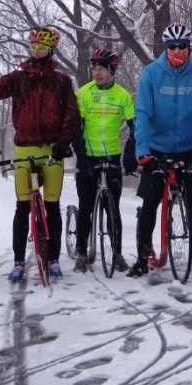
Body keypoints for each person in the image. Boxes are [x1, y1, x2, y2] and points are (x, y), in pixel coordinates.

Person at [0, 26, 79, 282]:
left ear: (50, 51)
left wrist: (64, 141)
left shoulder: (61, 81)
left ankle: (54, 259)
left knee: (52, 206)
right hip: (24, 148)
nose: (36, 51)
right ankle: (17, 261)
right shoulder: (18, 77)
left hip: (51, 151)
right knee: (22, 206)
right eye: (33, 47)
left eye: (41, 48)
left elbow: (72, 115)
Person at [127, 22, 192, 279]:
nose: (177, 50)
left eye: (182, 46)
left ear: (189, 47)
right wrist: (143, 151)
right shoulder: (152, 73)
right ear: (166, 48)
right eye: (172, 46)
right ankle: (143, 259)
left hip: (189, 147)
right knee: (150, 203)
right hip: (157, 146)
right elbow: (142, 113)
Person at [72, 48, 138, 273]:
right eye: (94, 68)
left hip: (111, 156)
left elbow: (135, 126)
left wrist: (130, 151)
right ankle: (81, 252)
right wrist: (81, 157)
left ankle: (117, 254)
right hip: (87, 157)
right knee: (86, 207)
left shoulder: (122, 95)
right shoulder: (83, 93)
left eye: (102, 69)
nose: (97, 73)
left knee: (114, 210)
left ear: (111, 71)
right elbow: (75, 128)